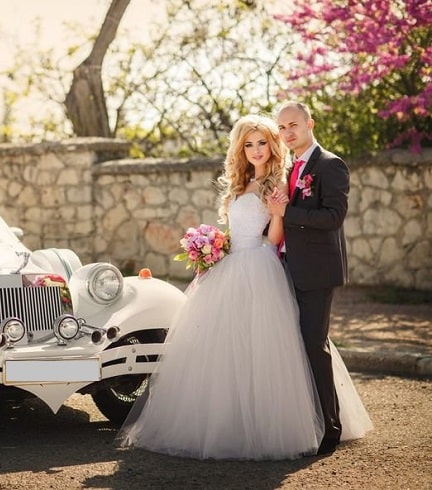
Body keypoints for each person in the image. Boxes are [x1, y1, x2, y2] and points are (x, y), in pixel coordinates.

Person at [116, 114, 371, 461]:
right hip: (231, 264)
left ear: (273, 145)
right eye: (249, 144)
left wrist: (279, 214)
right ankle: (228, 421)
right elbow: (238, 230)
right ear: (240, 149)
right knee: (225, 349)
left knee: (266, 349)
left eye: (262, 143)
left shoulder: (278, 183)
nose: (256, 150)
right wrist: (214, 248)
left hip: (260, 265)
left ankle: (288, 425)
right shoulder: (240, 183)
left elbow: (274, 238)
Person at [268, 101, 353, 455]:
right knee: (290, 347)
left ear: (309, 123)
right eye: (282, 128)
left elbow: (334, 216)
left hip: (317, 271)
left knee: (313, 345)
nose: (288, 133)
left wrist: (288, 212)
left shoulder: (330, 165)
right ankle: (305, 421)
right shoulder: (287, 166)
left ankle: (330, 428)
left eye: (294, 125)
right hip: (285, 266)